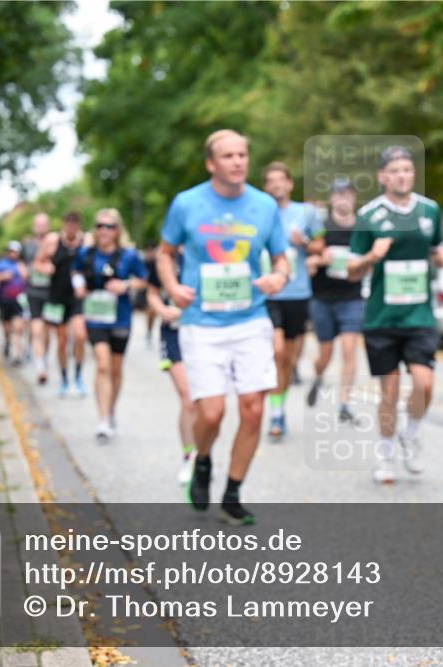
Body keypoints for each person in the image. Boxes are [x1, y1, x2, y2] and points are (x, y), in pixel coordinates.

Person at [158, 129, 289, 525]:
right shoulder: (187, 204)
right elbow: (165, 254)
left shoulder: (265, 206)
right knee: (212, 413)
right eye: (228, 156)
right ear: (211, 163)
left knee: (252, 410)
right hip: (202, 323)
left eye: (242, 155)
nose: (237, 162)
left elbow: (282, 259)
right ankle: (202, 461)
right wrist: (171, 285)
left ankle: (232, 493)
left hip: (250, 319)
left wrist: (278, 278)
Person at [348, 146, 443, 484]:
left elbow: (436, 249)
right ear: (382, 177)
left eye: (407, 169)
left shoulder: (429, 210)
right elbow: (350, 270)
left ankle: (413, 432)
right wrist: (370, 258)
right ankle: (385, 453)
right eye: (394, 170)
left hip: (419, 314)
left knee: (424, 383)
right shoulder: (369, 215)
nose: (402, 175)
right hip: (382, 317)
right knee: (389, 393)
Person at [72, 208, 147, 440]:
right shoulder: (85, 253)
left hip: (121, 317)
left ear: (117, 231)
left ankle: (111, 409)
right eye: (100, 226)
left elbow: (144, 281)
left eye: (109, 226)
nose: (104, 230)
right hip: (95, 316)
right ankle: (103, 419)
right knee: (102, 364)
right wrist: (78, 286)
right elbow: (75, 272)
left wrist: (125, 285)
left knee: (115, 368)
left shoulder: (129, 255)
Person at [261, 162, 322, 441]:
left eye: (280, 180)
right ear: (265, 187)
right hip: (270, 293)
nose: (276, 185)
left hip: (298, 293)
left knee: (289, 358)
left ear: (289, 184)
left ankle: (280, 406)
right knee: (278, 354)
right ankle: (275, 414)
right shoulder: (259, 213)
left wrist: (305, 242)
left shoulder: (305, 213)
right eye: (270, 181)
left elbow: (321, 246)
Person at [305, 178, 365, 423]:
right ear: (331, 199)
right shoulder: (322, 228)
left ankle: (344, 404)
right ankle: (318, 376)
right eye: (338, 194)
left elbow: (370, 259)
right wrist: (319, 260)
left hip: (351, 297)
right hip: (323, 298)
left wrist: (362, 264)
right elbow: (308, 263)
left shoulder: (362, 227)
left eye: (347, 194)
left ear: (353, 197)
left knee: (350, 350)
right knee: (325, 354)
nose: (343, 199)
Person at [145, 247, 197, 484]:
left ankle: (202, 455)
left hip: (203, 333)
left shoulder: (205, 252)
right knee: (188, 397)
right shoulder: (165, 258)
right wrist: (161, 309)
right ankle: (190, 456)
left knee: (205, 403)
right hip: (173, 334)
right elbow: (152, 292)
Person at [35, 211, 88, 398]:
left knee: (80, 335)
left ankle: (79, 376)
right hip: (57, 297)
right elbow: (38, 263)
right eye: (68, 224)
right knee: (62, 341)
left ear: (79, 225)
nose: (72, 227)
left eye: (75, 224)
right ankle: (65, 379)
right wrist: (46, 268)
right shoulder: (52, 241)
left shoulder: (86, 242)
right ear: (64, 224)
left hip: (77, 298)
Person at [22, 213, 52, 383]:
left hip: (51, 293)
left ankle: (43, 358)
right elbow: (20, 262)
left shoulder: (54, 244)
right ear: (34, 226)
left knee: (47, 332)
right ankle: (40, 367)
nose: (40, 227)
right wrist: (24, 271)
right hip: (33, 292)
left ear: (48, 226)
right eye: (38, 224)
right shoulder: (27, 245)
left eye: (43, 224)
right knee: (36, 330)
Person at [0, 241, 29, 364]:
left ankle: (17, 354)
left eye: (15, 251)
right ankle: (7, 341)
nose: (13, 253)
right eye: (11, 251)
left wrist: (24, 273)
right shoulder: (1, 263)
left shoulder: (21, 264)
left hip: (19, 300)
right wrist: (3, 276)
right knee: (6, 326)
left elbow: (27, 278)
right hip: (4, 299)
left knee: (18, 328)